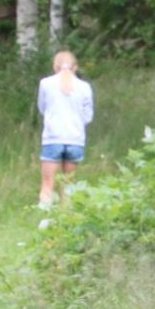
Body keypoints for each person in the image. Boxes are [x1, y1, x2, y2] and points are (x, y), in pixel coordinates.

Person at [37, 50, 94, 207]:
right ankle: (66, 217)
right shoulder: (85, 87)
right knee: (68, 185)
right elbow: (88, 116)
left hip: (52, 138)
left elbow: (42, 108)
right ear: (75, 67)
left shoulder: (46, 84)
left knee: (48, 183)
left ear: (55, 67)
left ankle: (44, 214)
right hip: (75, 139)